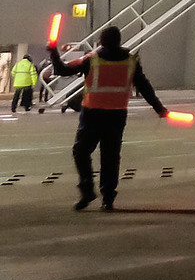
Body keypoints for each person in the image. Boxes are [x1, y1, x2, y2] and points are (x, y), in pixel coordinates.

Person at [45, 25, 166, 211]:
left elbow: (62, 70)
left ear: (101, 41)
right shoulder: (131, 62)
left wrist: (53, 50)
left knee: (81, 152)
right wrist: (159, 108)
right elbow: (144, 87)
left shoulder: (91, 60)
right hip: (117, 115)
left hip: (92, 114)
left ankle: (87, 188)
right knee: (110, 156)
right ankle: (108, 197)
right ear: (119, 41)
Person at [10, 49, 39, 113]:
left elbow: (13, 72)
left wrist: (17, 78)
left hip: (18, 82)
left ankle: (13, 107)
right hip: (27, 82)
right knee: (27, 95)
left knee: (16, 95)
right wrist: (34, 83)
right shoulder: (30, 65)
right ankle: (27, 107)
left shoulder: (18, 64)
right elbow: (33, 75)